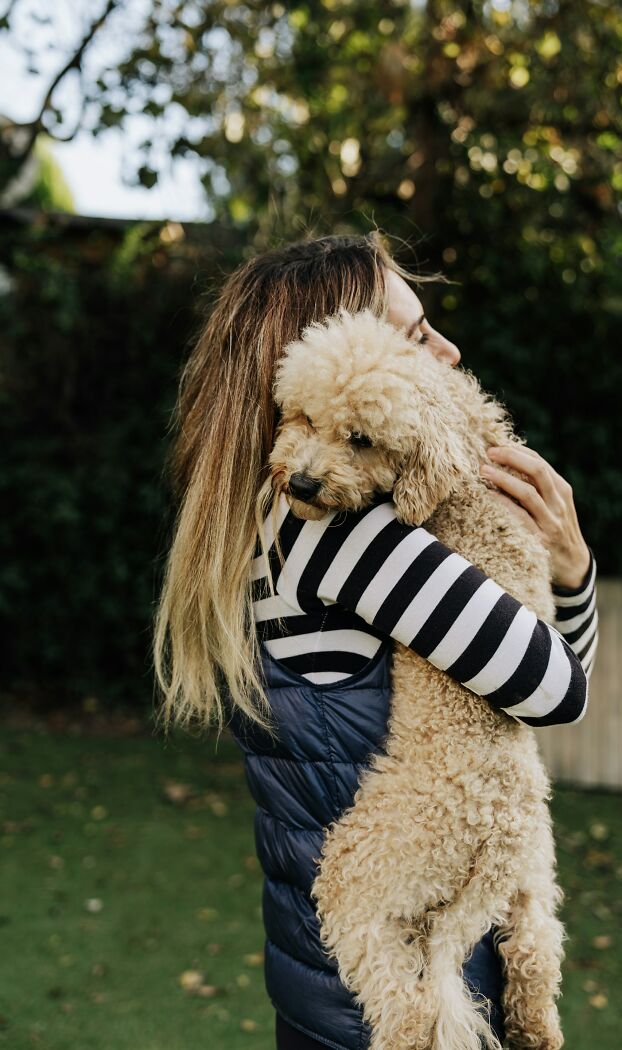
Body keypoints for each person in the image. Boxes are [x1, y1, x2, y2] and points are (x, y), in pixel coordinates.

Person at [153, 231, 599, 1050]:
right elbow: (557, 690)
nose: (448, 348)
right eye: (417, 333)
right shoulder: (349, 534)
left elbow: (520, 699)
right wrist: (574, 569)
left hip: (320, 979)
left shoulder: (273, 513)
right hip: (410, 993)